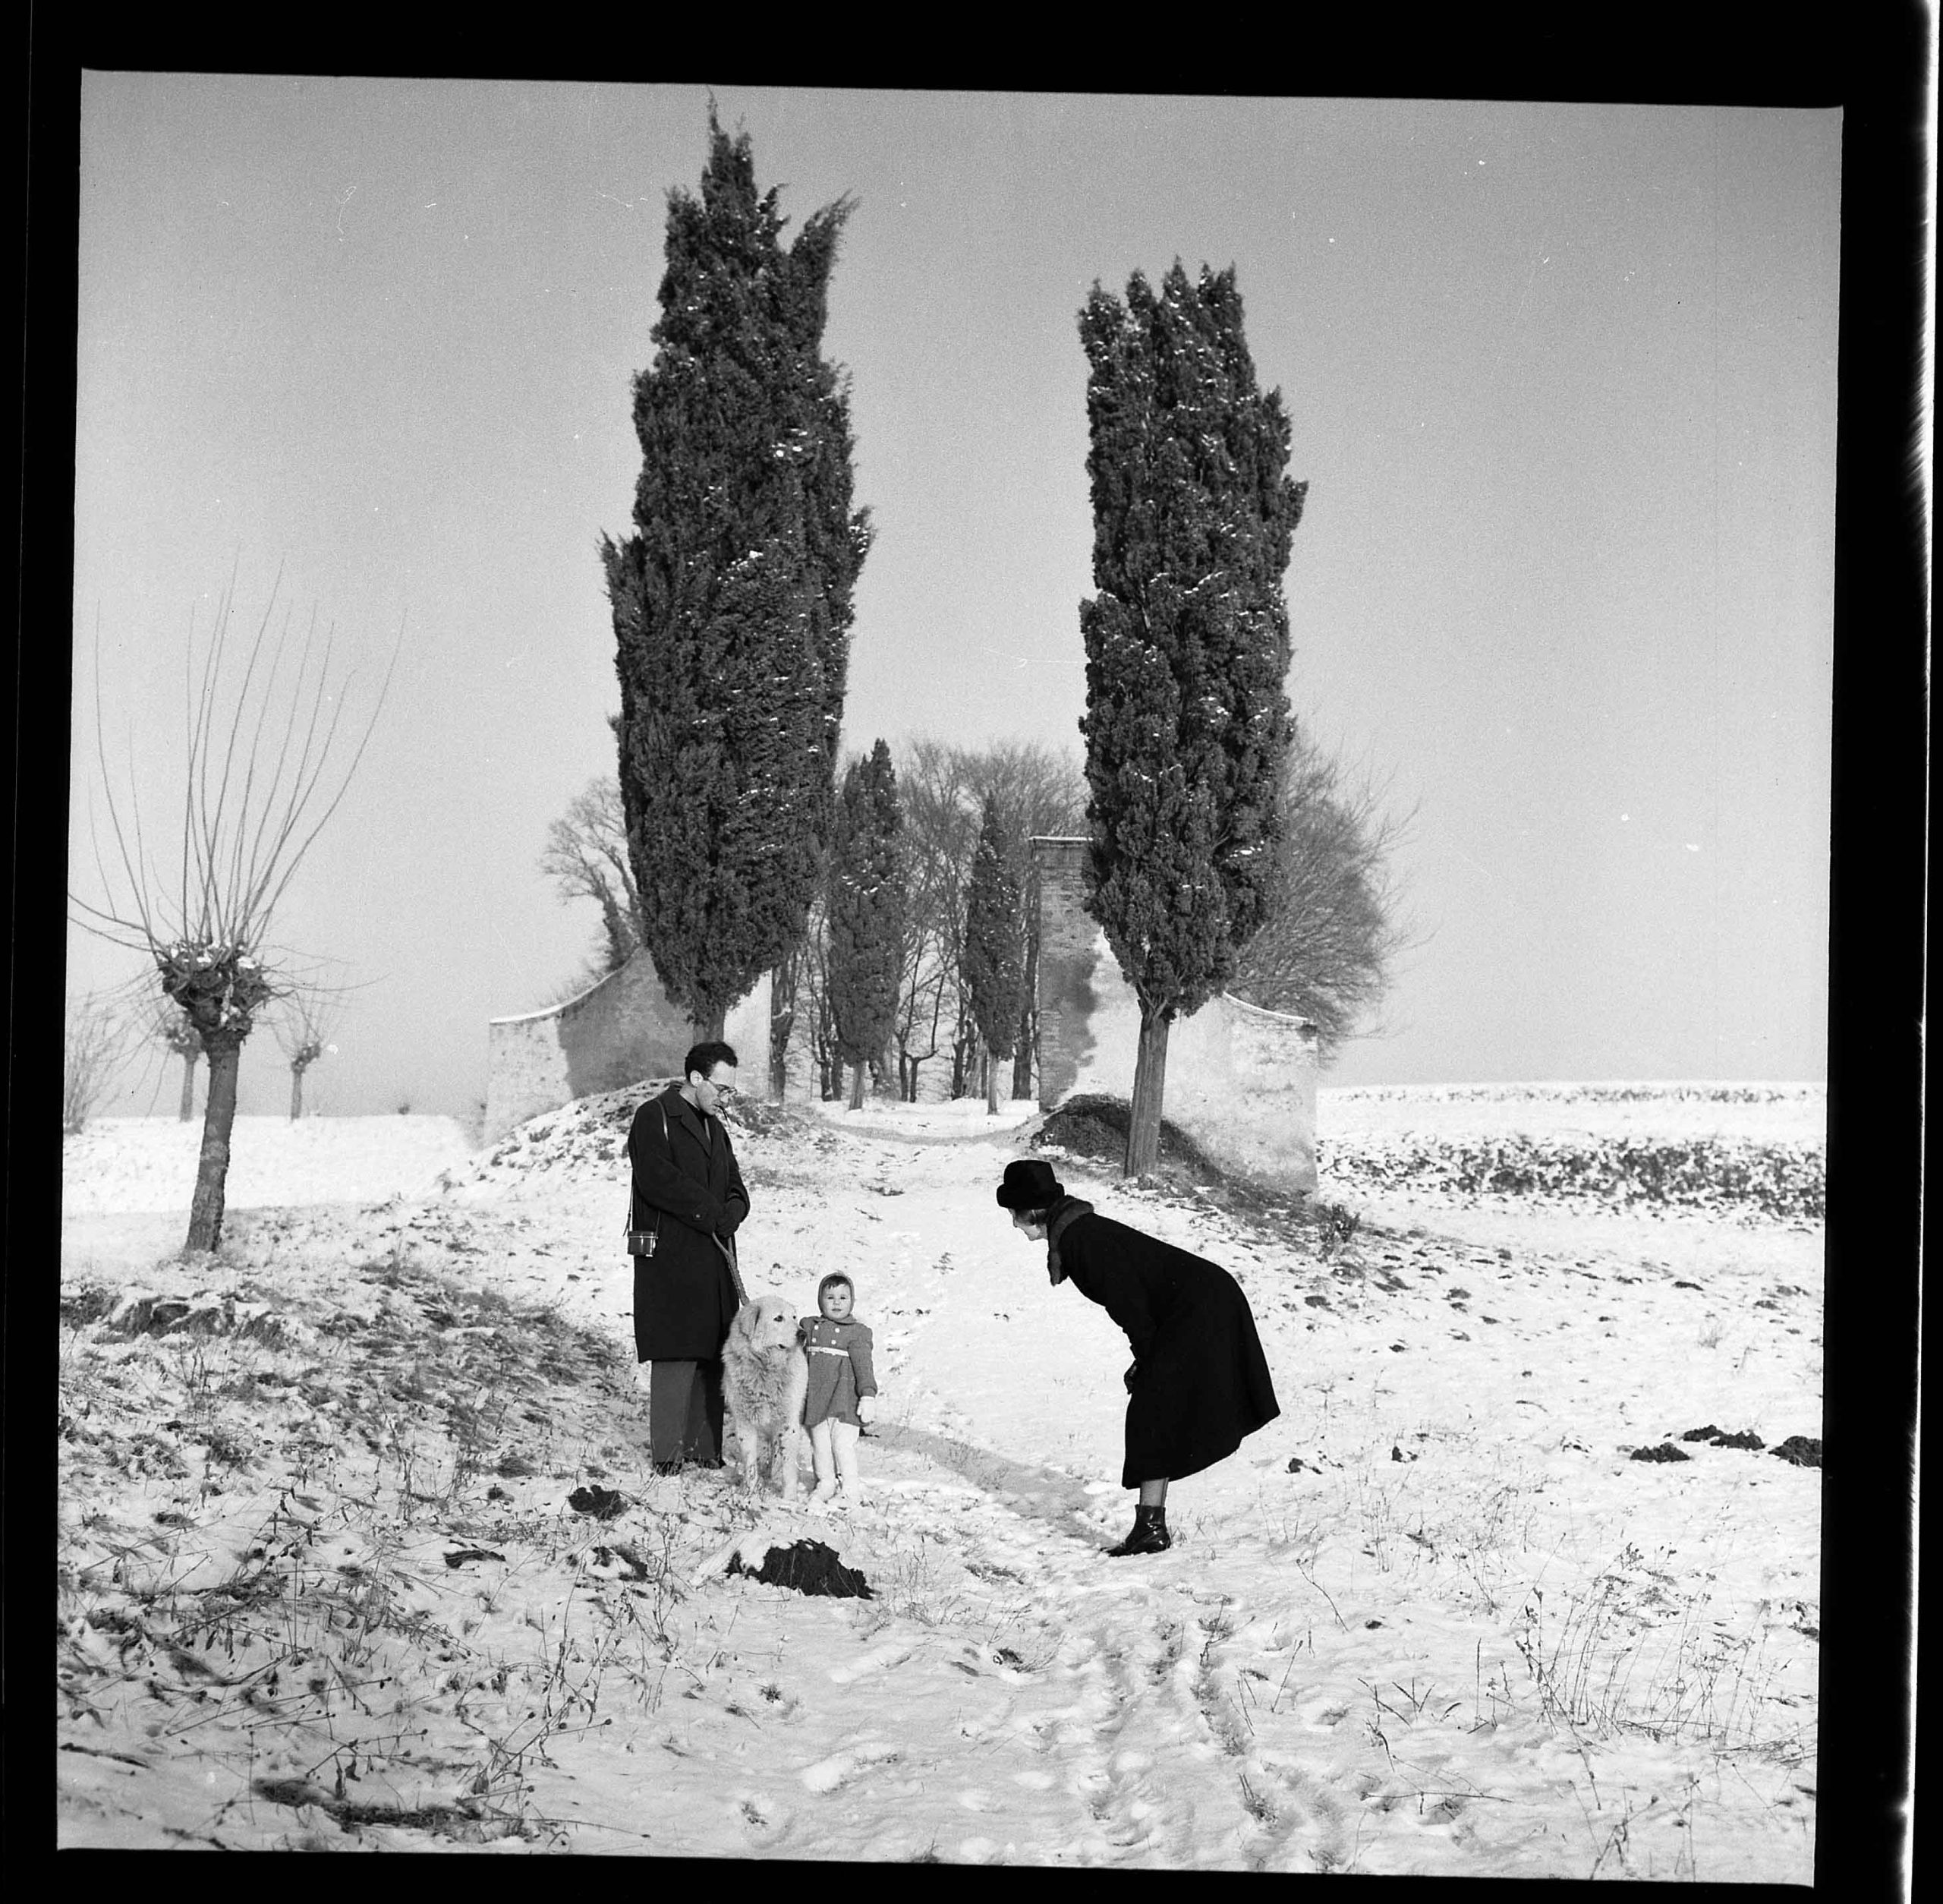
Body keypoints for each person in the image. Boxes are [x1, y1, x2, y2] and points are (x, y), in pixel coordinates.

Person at [996, 1157, 1279, 1557]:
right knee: (1154, 1408)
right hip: (1199, 1302)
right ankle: (1150, 1526)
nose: (1013, 1223)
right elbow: (1136, 1304)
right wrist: (1145, 1358)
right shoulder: (1076, 1232)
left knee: (1151, 1409)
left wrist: (1146, 1360)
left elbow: (1130, 1308)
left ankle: (1150, 1529)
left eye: (1014, 1213)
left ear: (1033, 1210)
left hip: (1201, 1306)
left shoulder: (1080, 1243)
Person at [629, 1042, 750, 1473]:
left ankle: (705, 1448)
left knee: (714, 1353)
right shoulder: (653, 1117)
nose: (726, 1098)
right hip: (673, 1260)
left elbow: (736, 1185)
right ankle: (667, 1454)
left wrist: (734, 1212)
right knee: (676, 1353)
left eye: (731, 1091)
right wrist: (712, 1213)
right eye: (722, 1088)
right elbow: (658, 1180)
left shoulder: (717, 1129)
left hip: (716, 1258)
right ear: (696, 1079)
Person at [798, 1272, 878, 1511]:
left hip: (845, 1402)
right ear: (820, 1300)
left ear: (852, 1301)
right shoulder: (810, 1327)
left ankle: (851, 1488)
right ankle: (825, 1482)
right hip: (817, 1401)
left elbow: (864, 1366)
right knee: (820, 1445)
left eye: (843, 1297)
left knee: (842, 1445)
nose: (836, 1302)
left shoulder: (857, 1333)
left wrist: (868, 1394)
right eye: (830, 1297)